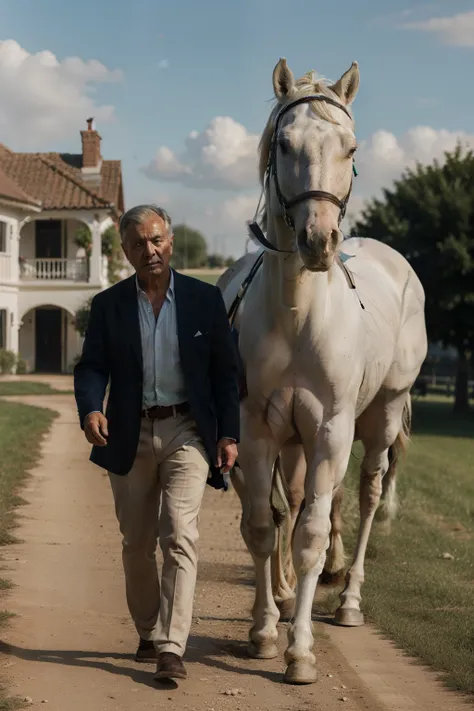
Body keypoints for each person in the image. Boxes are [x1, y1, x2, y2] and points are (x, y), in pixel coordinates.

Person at [73, 204, 240, 682]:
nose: (151, 250)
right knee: (137, 543)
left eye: (158, 240)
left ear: (170, 242)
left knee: (181, 536)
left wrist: (228, 433)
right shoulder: (108, 306)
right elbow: (91, 369)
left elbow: (226, 375)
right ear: (125, 251)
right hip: (130, 432)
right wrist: (91, 408)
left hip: (187, 430)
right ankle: (147, 631)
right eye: (140, 244)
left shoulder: (205, 300)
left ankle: (171, 645)